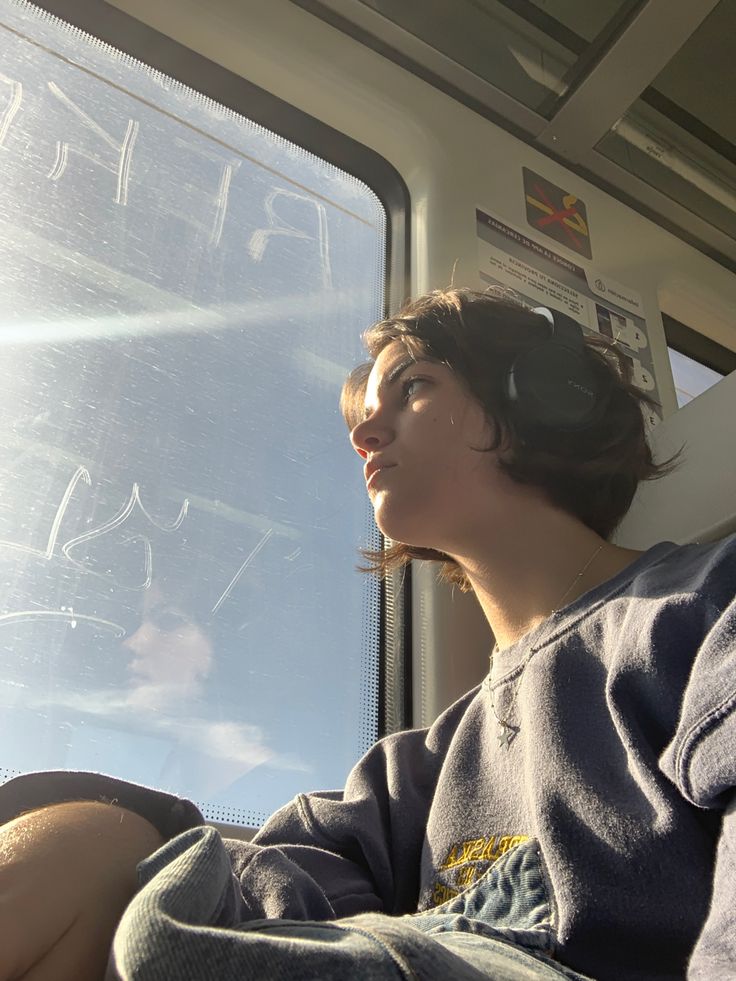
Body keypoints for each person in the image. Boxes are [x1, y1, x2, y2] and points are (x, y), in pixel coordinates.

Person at [0, 288, 734, 981]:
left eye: (413, 387)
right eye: (366, 410)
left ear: (547, 395)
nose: (363, 432)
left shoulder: (705, 610)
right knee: (97, 845)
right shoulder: (415, 771)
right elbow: (281, 890)